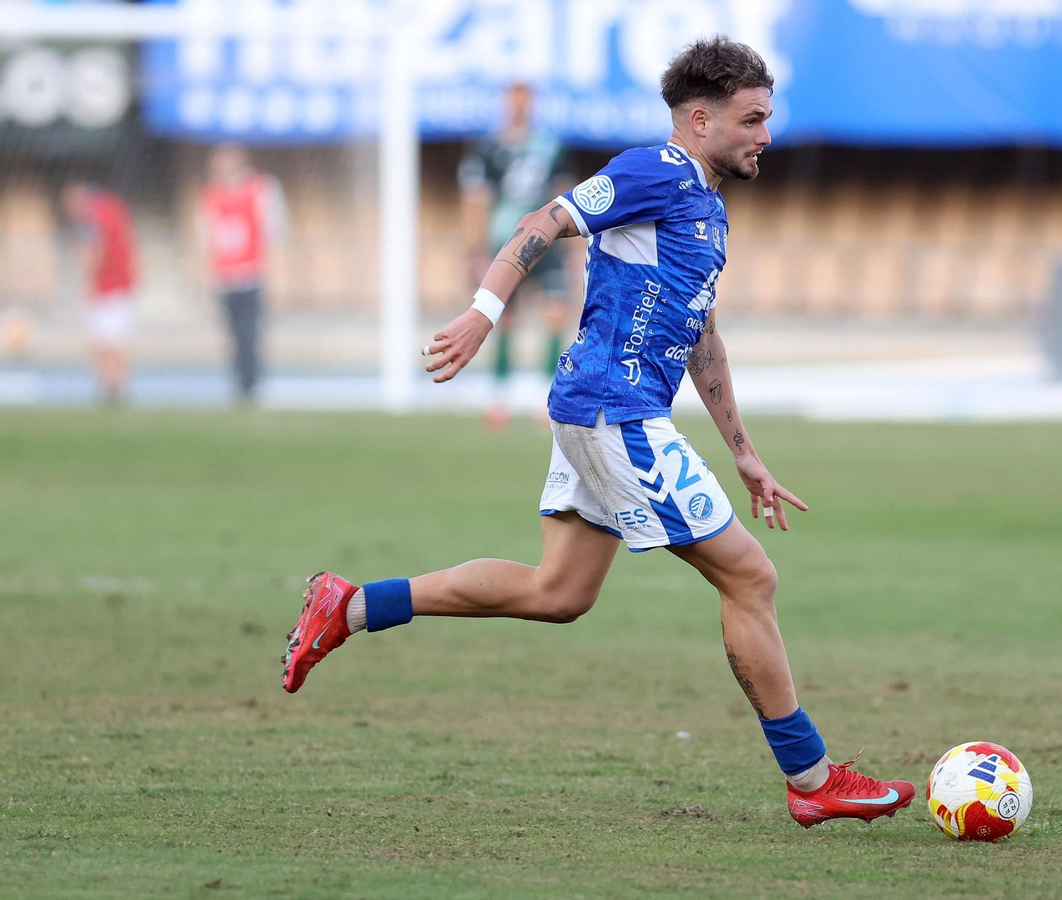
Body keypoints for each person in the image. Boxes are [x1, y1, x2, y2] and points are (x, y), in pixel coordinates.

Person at [280, 36, 916, 828]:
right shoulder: (657, 169)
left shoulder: (705, 210)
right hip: (617, 413)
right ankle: (813, 778)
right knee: (750, 579)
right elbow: (546, 220)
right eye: (752, 119)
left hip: (600, 409)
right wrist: (485, 313)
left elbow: (700, 336)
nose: (766, 135)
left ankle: (350, 606)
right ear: (700, 117)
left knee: (560, 592)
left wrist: (744, 452)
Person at [458, 82, 575, 429]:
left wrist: (570, 248)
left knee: (554, 315)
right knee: (502, 318)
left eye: (525, 100)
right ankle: (499, 397)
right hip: (506, 241)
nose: (520, 106)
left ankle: (548, 398)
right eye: (514, 100)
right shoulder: (487, 148)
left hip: (548, 242)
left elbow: (563, 195)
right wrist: (476, 251)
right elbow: (476, 200)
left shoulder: (551, 146)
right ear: (505, 103)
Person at [197, 144, 287, 406]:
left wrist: (272, 266)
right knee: (234, 332)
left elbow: (274, 228)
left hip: (251, 272)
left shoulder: (259, 188)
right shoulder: (211, 194)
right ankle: (240, 381)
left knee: (250, 331)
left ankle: (253, 381)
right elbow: (207, 236)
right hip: (225, 276)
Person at [61, 181, 137, 406]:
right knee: (115, 339)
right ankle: (117, 386)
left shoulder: (91, 218)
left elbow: (94, 253)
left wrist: (88, 284)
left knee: (103, 340)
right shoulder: (112, 209)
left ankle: (109, 385)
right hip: (121, 284)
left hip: (107, 288)